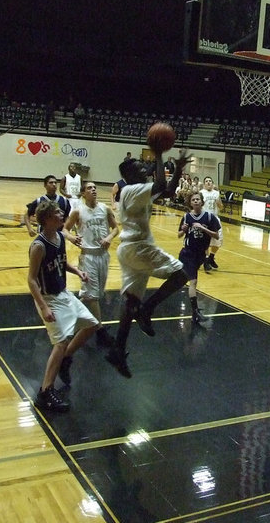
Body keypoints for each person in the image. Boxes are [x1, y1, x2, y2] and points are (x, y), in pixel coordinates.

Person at [105, 149, 192, 378]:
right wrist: (159, 153)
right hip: (139, 246)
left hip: (129, 250)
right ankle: (148, 308)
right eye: (139, 168)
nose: (145, 170)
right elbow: (161, 184)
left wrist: (179, 169)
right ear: (129, 176)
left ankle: (118, 349)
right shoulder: (132, 190)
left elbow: (169, 190)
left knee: (131, 300)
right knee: (182, 274)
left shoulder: (138, 191)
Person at [27, 201, 103, 412]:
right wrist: (43, 307)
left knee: (92, 325)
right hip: (48, 297)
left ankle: (66, 358)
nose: (63, 214)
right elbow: (32, 280)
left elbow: (61, 262)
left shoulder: (60, 237)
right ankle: (45, 392)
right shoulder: (39, 246)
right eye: (58, 213)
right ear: (49, 219)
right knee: (60, 342)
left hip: (63, 293)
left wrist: (77, 271)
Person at [64, 180, 119, 347]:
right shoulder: (78, 211)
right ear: (83, 193)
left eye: (95, 187)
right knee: (92, 295)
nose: (93, 190)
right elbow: (64, 229)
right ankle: (100, 331)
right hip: (88, 257)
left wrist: (109, 238)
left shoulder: (105, 209)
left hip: (103, 256)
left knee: (95, 295)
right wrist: (72, 237)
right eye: (89, 188)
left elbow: (116, 228)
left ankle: (76, 318)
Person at [178, 191, 221, 325]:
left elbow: (216, 236)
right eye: (193, 200)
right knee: (193, 282)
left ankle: (194, 312)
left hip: (200, 254)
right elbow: (179, 235)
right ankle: (195, 312)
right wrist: (184, 230)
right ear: (190, 203)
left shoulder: (209, 217)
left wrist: (203, 229)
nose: (196, 201)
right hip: (188, 253)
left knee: (188, 281)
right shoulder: (186, 217)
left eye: (198, 199)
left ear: (202, 202)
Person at [200, 176, 224, 271]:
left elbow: (221, 207)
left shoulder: (216, 193)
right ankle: (206, 261)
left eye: (210, 181)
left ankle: (211, 257)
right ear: (204, 184)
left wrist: (218, 203)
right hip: (205, 219)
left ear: (212, 183)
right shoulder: (201, 193)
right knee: (205, 241)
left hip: (215, 218)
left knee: (218, 241)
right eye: (206, 181)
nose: (208, 182)